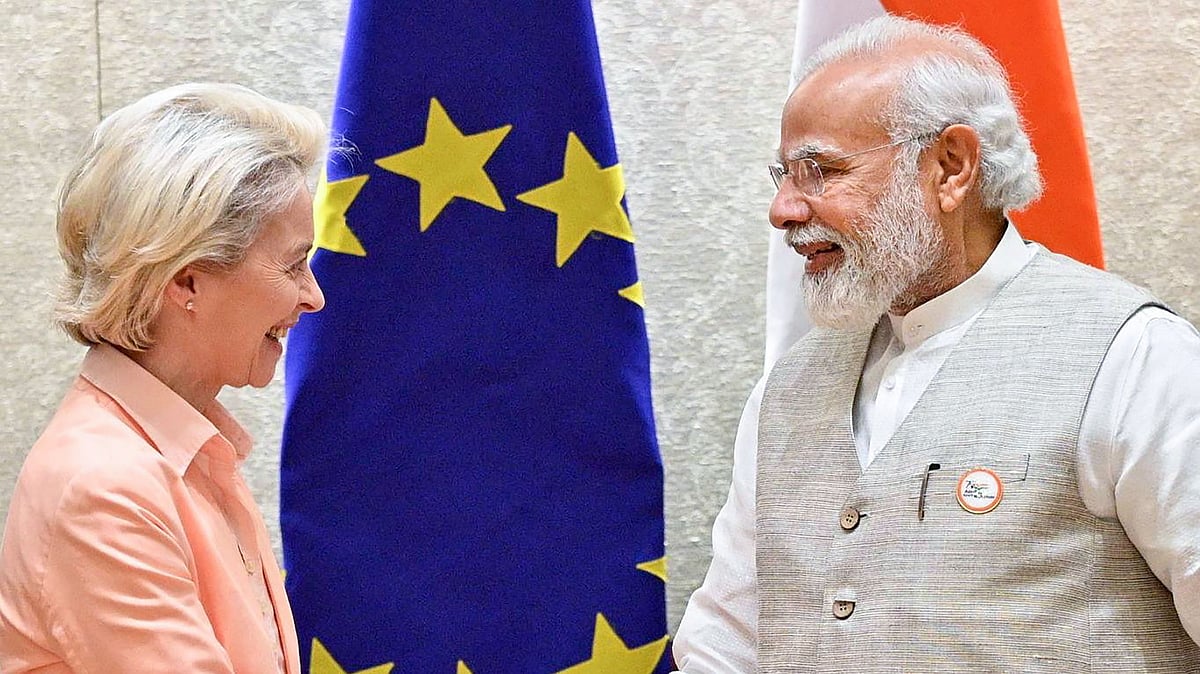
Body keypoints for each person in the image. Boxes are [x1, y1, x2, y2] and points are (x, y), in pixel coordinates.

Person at [674, 15, 1200, 672]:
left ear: (950, 167)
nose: (782, 209)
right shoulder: (789, 388)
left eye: (820, 171)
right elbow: (726, 638)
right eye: (783, 174)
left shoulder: (1136, 359)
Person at [0, 83, 327, 673]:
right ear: (186, 282)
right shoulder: (102, 489)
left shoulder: (184, 452)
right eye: (293, 264)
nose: (314, 297)